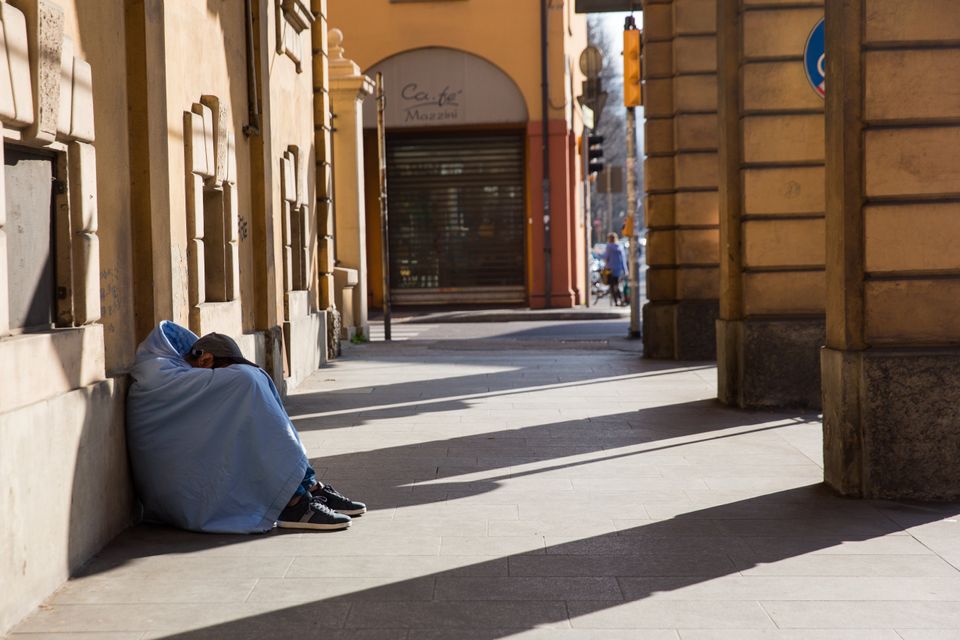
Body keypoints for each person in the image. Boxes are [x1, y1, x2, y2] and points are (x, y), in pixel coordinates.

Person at [127, 321, 365, 533]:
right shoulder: (159, 376)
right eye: (224, 369)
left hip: (183, 477)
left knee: (250, 386)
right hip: (175, 494)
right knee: (246, 381)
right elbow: (242, 379)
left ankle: (307, 487)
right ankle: (294, 500)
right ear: (206, 360)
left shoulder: (180, 378)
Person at [602, 232, 628, 306]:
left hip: (610, 269)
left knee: (612, 285)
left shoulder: (609, 247)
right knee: (616, 284)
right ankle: (620, 298)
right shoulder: (620, 247)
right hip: (618, 269)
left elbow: (606, 257)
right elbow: (623, 259)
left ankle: (617, 300)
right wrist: (625, 270)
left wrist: (606, 264)